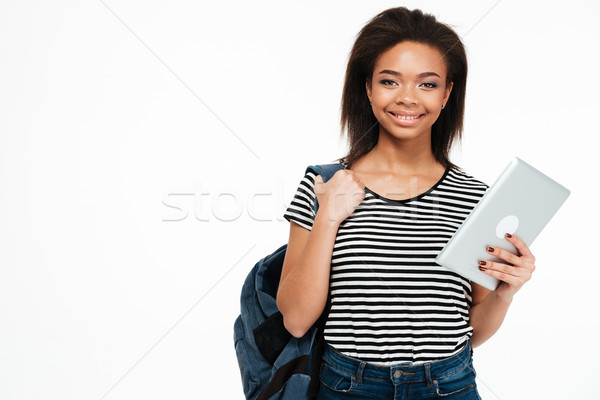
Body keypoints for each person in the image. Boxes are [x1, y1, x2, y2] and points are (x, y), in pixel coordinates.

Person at [277, 6, 536, 400]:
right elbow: (295, 320)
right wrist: (329, 216)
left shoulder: (476, 198)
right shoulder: (325, 184)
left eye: (427, 84)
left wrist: (504, 293)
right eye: (389, 81)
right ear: (367, 88)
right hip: (348, 387)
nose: (407, 98)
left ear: (448, 92)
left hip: (449, 386)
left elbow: (474, 331)